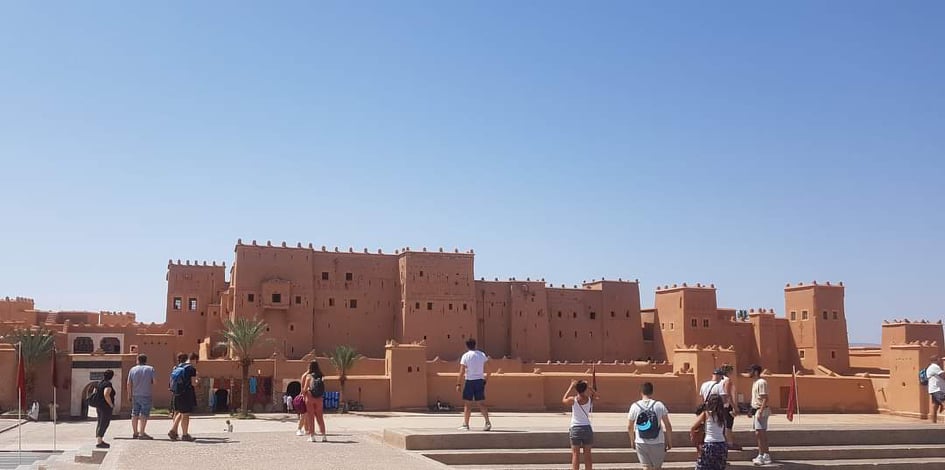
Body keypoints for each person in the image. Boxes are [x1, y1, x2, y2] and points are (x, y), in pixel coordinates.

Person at [627, 382, 672, 470]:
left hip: (640, 441)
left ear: (641, 392)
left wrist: (632, 440)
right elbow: (668, 425)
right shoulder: (659, 405)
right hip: (658, 441)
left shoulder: (635, 406)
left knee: (646, 467)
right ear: (652, 392)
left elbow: (629, 426)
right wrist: (669, 441)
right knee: (657, 467)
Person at [456, 338, 492, 431]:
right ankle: (487, 422)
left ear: (467, 346)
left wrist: (458, 384)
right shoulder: (482, 355)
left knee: (467, 404)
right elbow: (489, 370)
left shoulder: (465, 356)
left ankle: (466, 425)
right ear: (475, 345)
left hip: (469, 381)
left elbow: (461, 371)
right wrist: (485, 380)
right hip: (479, 381)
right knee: (481, 403)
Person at [563, 379, 598, 470]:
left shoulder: (573, 400)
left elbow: (563, 400)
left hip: (575, 428)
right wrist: (589, 387)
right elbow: (596, 396)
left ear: (577, 389)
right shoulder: (589, 399)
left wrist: (570, 387)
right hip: (587, 427)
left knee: (575, 454)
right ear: (585, 389)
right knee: (588, 454)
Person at [691, 394, 728, 469]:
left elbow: (693, 427)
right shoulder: (723, 416)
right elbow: (723, 432)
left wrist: (695, 440)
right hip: (721, 444)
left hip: (709, 444)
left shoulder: (706, 414)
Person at [168, 353, 199, 442]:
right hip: (186, 394)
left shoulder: (178, 367)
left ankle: (173, 430)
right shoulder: (191, 369)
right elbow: (194, 383)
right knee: (185, 414)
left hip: (177, 393)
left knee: (180, 412)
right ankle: (185, 435)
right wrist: (197, 380)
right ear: (194, 360)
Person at [127, 354, 155, 439]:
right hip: (146, 394)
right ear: (146, 360)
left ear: (138, 360)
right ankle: (142, 433)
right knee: (144, 414)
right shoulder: (150, 369)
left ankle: (135, 432)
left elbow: (128, 383)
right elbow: (154, 381)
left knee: (134, 413)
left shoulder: (132, 369)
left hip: (135, 394)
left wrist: (129, 394)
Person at [748, 364, 771, 465]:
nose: (749, 373)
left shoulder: (761, 382)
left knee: (760, 433)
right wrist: (751, 410)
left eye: (750, 371)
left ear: (756, 372)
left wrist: (760, 411)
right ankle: (766, 455)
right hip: (757, 410)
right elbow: (756, 399)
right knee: (761, 433)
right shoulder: (755, 382)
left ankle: (761, 455)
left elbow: (765, 398)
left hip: (761, 410)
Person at [302, 360, 327, 442]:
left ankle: (312, 436)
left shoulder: (309, 376)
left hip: (310, 398)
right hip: (319, 398)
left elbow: (305, 389)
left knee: (311, 417)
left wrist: (303, 393)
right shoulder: (321, 376)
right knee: (320, 417)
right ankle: (324, 436)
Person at [719, 364, 740, 450]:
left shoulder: (719, 380)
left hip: (720, 405)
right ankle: (729, 443)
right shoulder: (727, 380)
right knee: (728, 424)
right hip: (727, 405)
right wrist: (734, 407)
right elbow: (728, 395)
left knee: (723, 424)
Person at [93, 369, 116, 449]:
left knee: (100, 422)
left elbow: (94, 392)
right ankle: (99, 441)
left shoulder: (99, 383)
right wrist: (111, 404)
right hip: (105, 407)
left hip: (99, 406)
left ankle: (99, 440)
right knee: (104, 423)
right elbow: (106, 394)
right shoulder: (108, 384)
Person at [926, 355, 945, 423]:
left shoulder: (931, 367)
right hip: (938, 389)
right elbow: (943, 375)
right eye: (939, 359)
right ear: (935, 360)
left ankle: (933, 422)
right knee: (943, 402)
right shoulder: (935, 367)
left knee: (935, 405)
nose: (940, 360)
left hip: (934, 389)